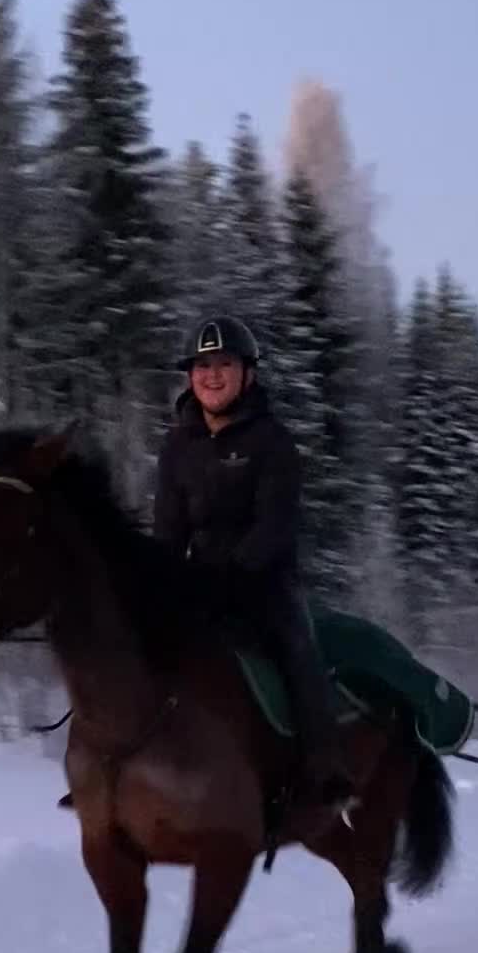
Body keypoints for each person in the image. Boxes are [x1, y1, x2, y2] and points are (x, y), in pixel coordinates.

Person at [152, 314, 353, 813]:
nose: (212, 376)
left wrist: (231, 575)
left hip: (264, 581)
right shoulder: (177, 446)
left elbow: (276, 525)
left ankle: (324, 772)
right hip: (197, 582)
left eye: (224, 364)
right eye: (202, 366)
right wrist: (159, 581)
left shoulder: (273, 441)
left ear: (248, 373)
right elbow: (169, 529)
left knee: (297, 649)